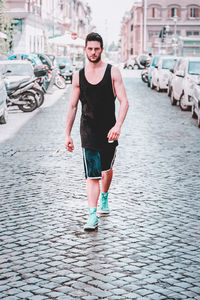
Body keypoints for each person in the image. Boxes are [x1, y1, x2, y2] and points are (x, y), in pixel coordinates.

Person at [65, 32, 129, 231]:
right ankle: (92, 216)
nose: (93, 52)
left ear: (101, 50)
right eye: (90, 49)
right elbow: (73, 106)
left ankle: (105, 196)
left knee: (106, 170)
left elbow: (124, 102)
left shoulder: (113, 72)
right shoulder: (78, 76)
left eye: (96, 49)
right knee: (92, 175)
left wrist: (117, 126)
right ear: (85, 50)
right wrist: (67, 134)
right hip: (88, 132)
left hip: (109, 132)